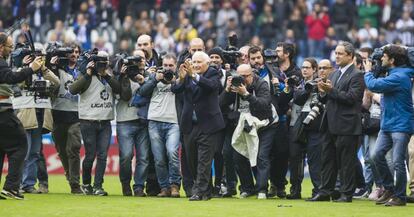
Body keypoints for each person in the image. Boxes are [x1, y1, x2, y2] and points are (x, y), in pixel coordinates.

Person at [308, 41, 364, 203]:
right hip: (329, 124)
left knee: (346, 162)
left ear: (350, 56)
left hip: (346, 126)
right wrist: (322, 92)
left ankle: (346, 193)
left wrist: (330, 90)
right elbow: (327, 99)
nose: (336, 56)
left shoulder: (357, 75)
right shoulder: (333, 74)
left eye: (340, 53)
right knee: (327, 160)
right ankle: (325, 191)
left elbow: (352, 99)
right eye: (336, 53)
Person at [364, 45, 414, 206]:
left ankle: (400, 196)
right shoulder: (395, 73)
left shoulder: (400, 76)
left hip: (401, 124)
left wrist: (368, 71)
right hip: (388, 123)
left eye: (384, 57)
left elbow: (374, 85)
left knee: (398, 161)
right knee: (376, 155)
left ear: (392, 60)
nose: (381, 59)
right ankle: (389, 189)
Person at [171, 51, 225, 201]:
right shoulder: (186, 74)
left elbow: (212, 86)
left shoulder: (213, 74)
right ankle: (206, 190)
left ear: (207, 64)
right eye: (193, 62)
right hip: (190, 125)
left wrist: (193, 76)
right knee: (192, 160)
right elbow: (175, 90)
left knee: (204, 160)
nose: (195, 65)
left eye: (199, 62)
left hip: (208, 125)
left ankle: (198, 191)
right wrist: (181, 79)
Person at [220, 64, 277, 199]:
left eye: (245, 76)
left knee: (261, 156)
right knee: (238, 155)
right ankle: (247, 188)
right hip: (245, 125)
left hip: (265, 124)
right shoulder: (234, 85)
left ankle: (262, 189)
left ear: (251, 75)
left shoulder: (261, 84)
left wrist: (246, 94)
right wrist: (227, 90)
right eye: (240, 76)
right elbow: (219, 104)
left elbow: (264, 105)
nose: (242, 80)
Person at [69, 50, 120, 196]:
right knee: (90, 155)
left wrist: (106, 75)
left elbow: (119, 90)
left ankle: (98, 186)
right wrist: (88, 73)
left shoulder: (109, 76)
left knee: (103, 155)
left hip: (105, 121)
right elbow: (73, 90)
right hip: (88, 120)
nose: (102, 65)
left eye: (104, 62)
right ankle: (86, 184)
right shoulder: (86, 75)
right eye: (99, 62)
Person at [0, 32, 43, 200]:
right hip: (3, 112)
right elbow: (9, 78)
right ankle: (11, 187)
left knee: (2, 148)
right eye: (9, 47)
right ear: (1, 47)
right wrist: (31, 69)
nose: (11, 50)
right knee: (20, 145)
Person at [138, 54, 181, 198]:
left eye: (171, 66)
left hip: (173, 122)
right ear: (162, 65)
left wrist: (176, 81)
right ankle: (164, 188)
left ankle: (175, 185)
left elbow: (184, 91)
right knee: (158, 158)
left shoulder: (179, 79)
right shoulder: (154, 77)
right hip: (154, 121)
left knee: (172, 153)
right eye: (166, 65)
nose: (168, 69)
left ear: (175, 66)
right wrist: (155, 79)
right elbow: (142, 92)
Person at [115, 49, 150, 197]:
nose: (138, 62)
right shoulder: (120, 76)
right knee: (126, 156)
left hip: (142, 121)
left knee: (143, 157)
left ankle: (139, 187)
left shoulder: (150, 75)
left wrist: (145, 78)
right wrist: (122, 75)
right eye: (134, 60)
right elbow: (120, 95)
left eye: (140, 59)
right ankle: (125, 184)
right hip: (125, 120)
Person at [50, 43, 83, 194]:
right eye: (70, 52)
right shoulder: (57, 69)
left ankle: (75, 184)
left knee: (74, 148)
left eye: (76, 52)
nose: (74, 54)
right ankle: (70, 175)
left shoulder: (83, 71)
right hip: (58, 114)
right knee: (62, 150)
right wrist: (52, 66)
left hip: (76, 114)